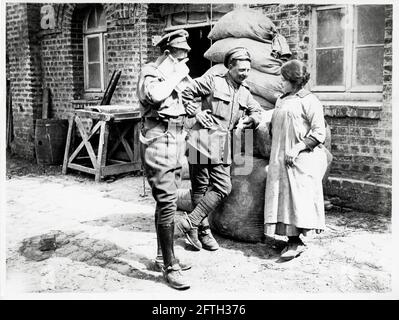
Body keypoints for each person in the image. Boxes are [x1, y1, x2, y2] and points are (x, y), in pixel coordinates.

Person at [176, 47, 263, 250]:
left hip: (223, 145)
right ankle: (203, 231)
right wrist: (196, 112)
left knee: (223, 187)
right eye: (241, 69)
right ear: (230, 67)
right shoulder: (213, 81)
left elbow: (257, 110)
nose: (245, 73)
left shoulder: (245, 92)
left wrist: (253, 119)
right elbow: (187, 91)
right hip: (200, 140)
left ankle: (191, 222)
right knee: (200, 187)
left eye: (248, 70)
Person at [136, 29, 193, 290]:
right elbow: (154, 96)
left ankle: (163, 256)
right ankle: (170, 266)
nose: (186, 60)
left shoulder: (175, 74)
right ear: (168, 53)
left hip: (177, 135)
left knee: (167, 199)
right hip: (158, 137)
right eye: (181, 55)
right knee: (168, 201)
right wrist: (177, 75)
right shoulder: (151, 71)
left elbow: (179, 101)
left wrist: (189, 107)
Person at [264, 59, 330, 261]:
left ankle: (296, 242)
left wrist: (298, 147)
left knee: (297, 199)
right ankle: (290, 238)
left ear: (294, 81)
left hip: (299, 159)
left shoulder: (310, 101)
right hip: (280, 157)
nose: (281, 83)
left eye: (284, 80)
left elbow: (319, 133)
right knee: (282, 198)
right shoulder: (281, 99)